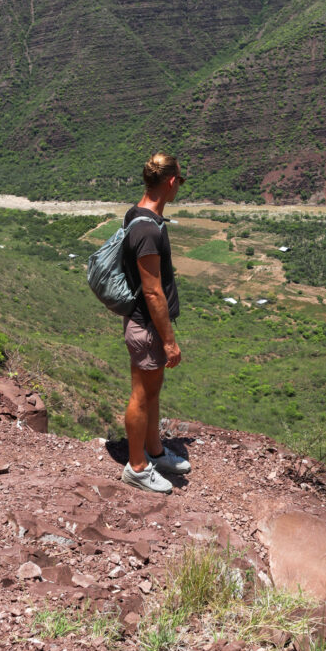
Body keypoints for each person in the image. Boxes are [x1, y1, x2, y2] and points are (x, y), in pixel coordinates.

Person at [120, 152, 191, 494]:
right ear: (172, 182)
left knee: (152, 391)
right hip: (146, 326)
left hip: (145, 324)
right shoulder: (148, 228)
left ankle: (155, 451)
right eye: (180, 181)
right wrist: (169, 341)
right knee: (141, 395)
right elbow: (152, 292)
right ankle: (136, 467)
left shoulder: (138, 214)